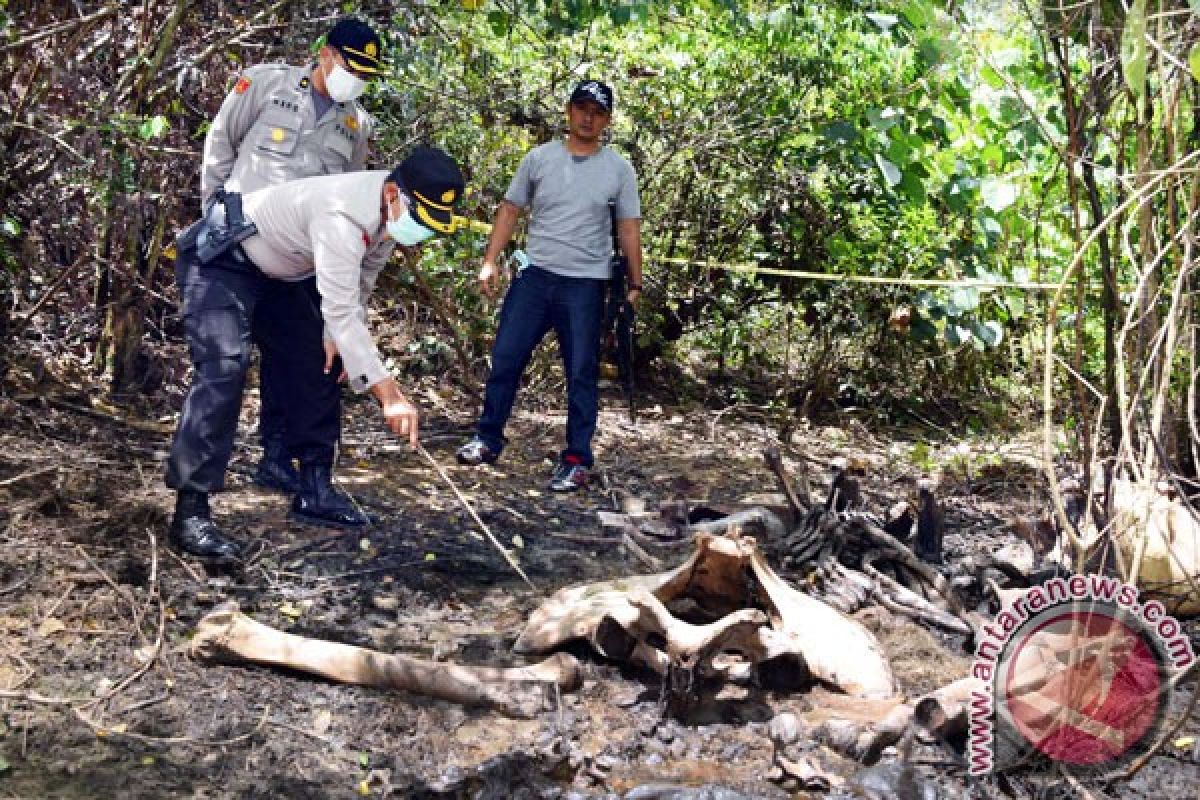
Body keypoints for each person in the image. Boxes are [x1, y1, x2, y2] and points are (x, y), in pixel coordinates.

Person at [166, 148, 466, 559]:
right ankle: (190, 513)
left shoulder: (385, 216)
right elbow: (343, 309)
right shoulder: (341, 216)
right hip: (224, 258)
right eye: (420, 218)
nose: (419, 230)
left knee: (323, 359)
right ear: (394, 193)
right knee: (224, 368)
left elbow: (358, 287)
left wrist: (332, 334)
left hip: (283, 273)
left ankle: (315, 486)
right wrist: (390, 396)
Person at [202, 17, 384, 495]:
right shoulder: (267, 83)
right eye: (352, 66)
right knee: (226, 363)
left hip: (301, 255)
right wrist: (212, 212)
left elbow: (348, 191)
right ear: (326, 54)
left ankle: (278, 457)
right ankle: (199, 490)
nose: (357, 78)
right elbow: (222, 141)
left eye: (367, 72)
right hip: (238, 246)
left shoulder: (356, 124)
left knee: (302, 362)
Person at [456, 79, 643, 492]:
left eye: (597, 112)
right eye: (581, 108)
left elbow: (628, 227)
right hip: (536, 276)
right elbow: (510, 209)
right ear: (568, 111)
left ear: (607, 120)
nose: (588, 118)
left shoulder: (618, 169)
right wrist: (489, 261)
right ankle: (487, 438)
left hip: (586, 284)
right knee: (506, 357)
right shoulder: (539, 159)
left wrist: (634, 283)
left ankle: (576, 459)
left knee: (580, 373)